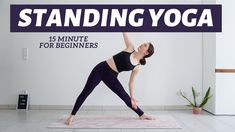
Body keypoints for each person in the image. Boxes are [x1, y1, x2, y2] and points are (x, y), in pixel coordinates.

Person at [65, 33, 155, 125]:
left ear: (146, 52)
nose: (142, 44)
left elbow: (131, 83)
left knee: (126, 98)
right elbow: (125, 32)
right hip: (100, 69)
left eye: (145, 45)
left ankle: (141, 114)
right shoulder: (130, 48)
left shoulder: (137, 67)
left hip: (111, 77)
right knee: (86, 92)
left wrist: (132, 96)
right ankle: (71, 115)